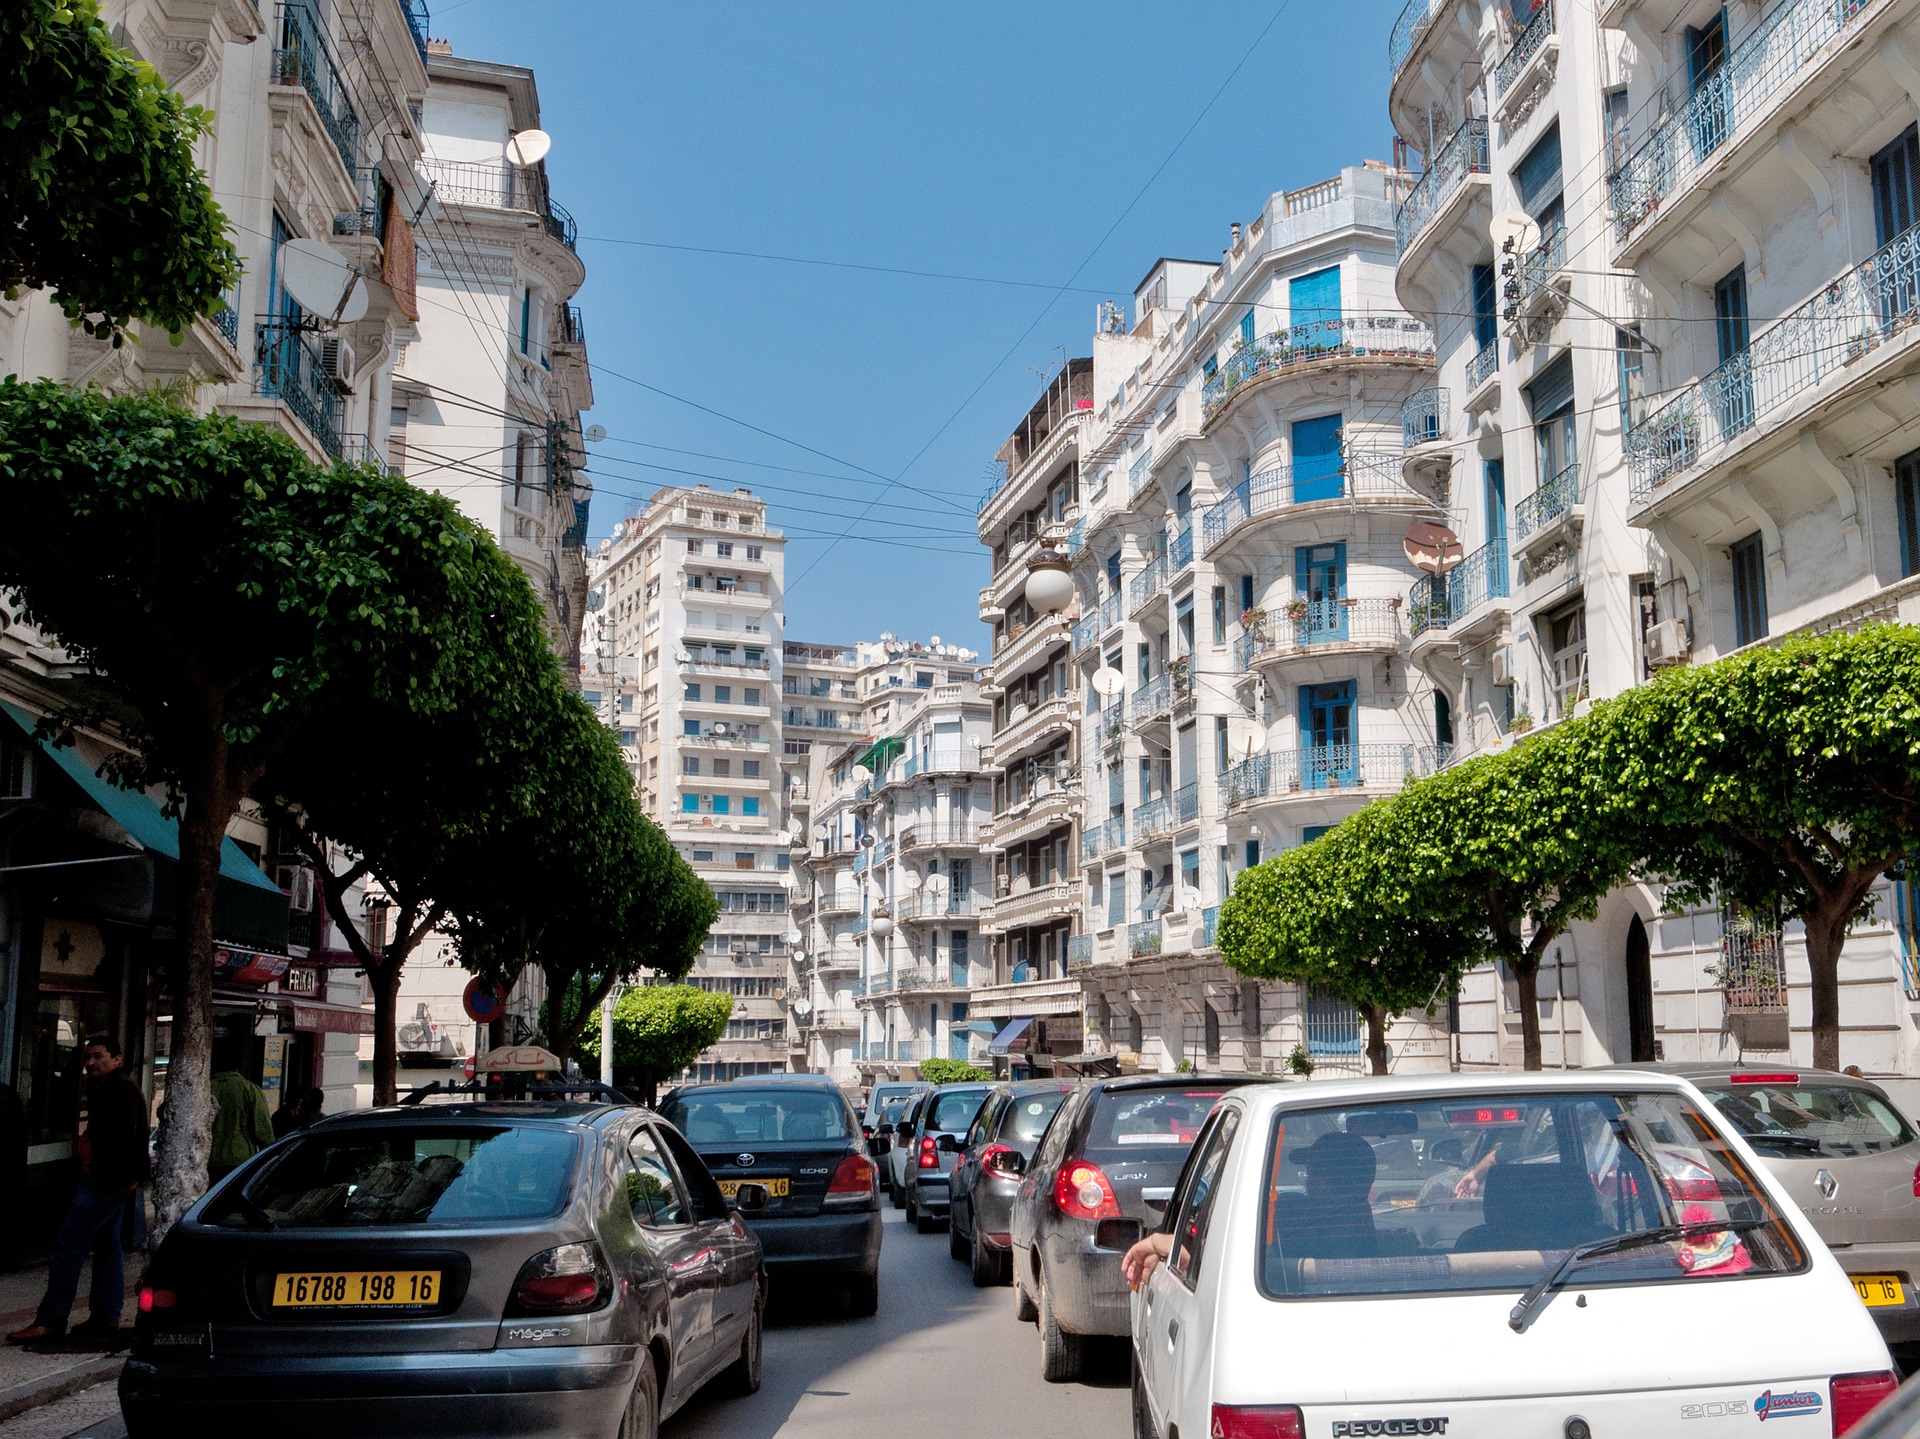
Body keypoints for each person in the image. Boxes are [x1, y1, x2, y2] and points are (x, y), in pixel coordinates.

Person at [7, 1035, 149, 1342]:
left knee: (68, 1248)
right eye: (87, 1057)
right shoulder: (112, 1089)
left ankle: (50, 1321)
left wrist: (99, 1168)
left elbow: (123, 1139)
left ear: (117, 1059)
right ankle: (105, 1316)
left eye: (98, 1056)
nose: (90, 1063)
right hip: (113, 1181)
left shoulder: (118, 1090)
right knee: (108, 1247)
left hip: (104, 1182)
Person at [209, 1040, 274, 1182]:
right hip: (240, 1160)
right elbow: (263, 1130)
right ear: (238, 1066)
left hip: (208, 1159)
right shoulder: (250, 1090)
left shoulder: (203, 1090)